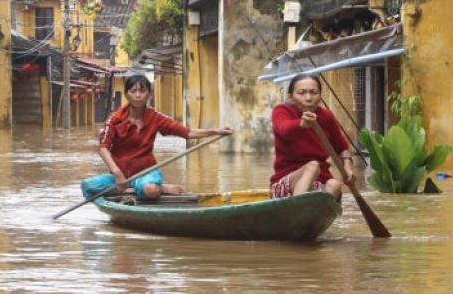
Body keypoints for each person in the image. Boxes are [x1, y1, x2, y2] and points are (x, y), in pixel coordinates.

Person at [81, 74, 234, 200]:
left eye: (142, 91)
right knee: (88, 186)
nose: (138, 95)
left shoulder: (155, 117)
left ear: (149, 94)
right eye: (133, 91)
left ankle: (150, 188)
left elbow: (186, 132)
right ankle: (137, 190)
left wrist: (216, 131)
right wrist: (117, 173)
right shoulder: (115, 118)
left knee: (150, 190)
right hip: (120, 177)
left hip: (145, 173)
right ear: (127, 94)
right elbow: (103, 148)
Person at [270, 74, 355, 201]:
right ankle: (297, 209)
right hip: (286, 184)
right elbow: (284, 129)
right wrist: (301, 124)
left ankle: (314, 214)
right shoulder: (282, 110)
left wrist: (348, 167)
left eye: (314, 92)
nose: (308, 98)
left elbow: (341, 147)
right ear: (291, 97)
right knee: (313, 166)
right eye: (302, 93)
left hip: (319, 181)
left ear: (320, 97)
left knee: (335, 185)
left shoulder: (326, 116)